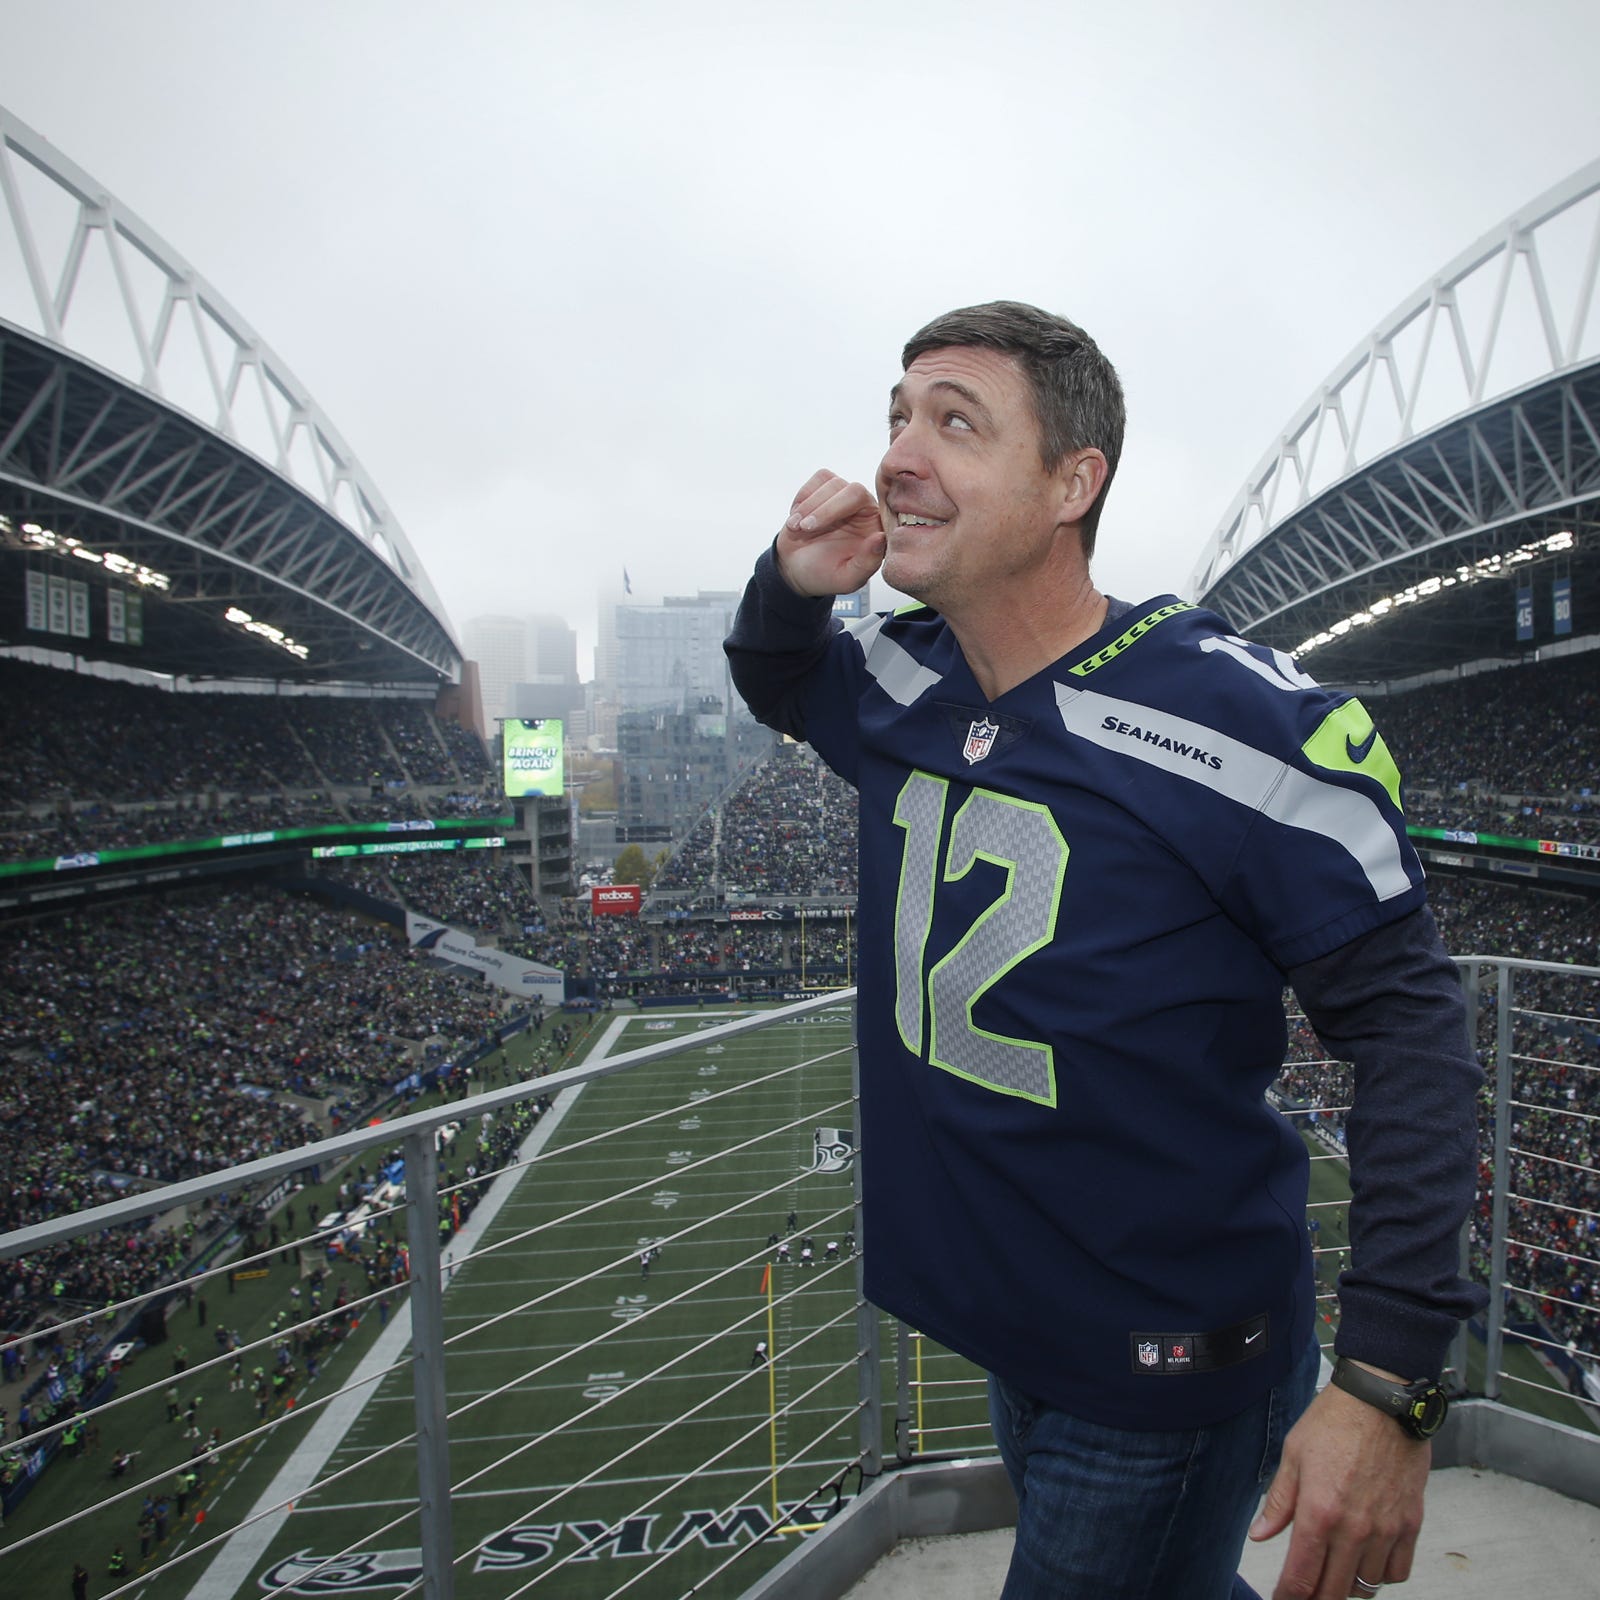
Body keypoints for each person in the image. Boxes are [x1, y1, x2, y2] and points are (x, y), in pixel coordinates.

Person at [723, 300, 1485, 1600]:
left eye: (955, 424)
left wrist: (1389, 1379)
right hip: (1021, 1330)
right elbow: (780, 677)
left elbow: (1414, 1036)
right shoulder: (912, 680)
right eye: (896, 416)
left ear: (1074, 483)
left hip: (1167, 1358)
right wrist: (789, 579)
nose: (899, 455)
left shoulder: (1242, 723)